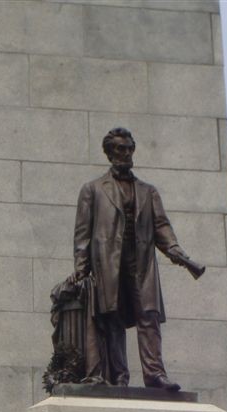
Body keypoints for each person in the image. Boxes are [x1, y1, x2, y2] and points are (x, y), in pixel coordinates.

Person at [73, 127, 200, 390]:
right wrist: (81, 269)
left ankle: (155, 374)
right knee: (113, 319)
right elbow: (83, 235)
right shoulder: (93, 190)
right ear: (109, 153)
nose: (126, 153)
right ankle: (120, 377)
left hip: (141, 264)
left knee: (149, 317)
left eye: (129, 148)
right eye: (120, 148)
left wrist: (179, 253)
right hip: (109, 265)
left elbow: (162, 229)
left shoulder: (148, 191)